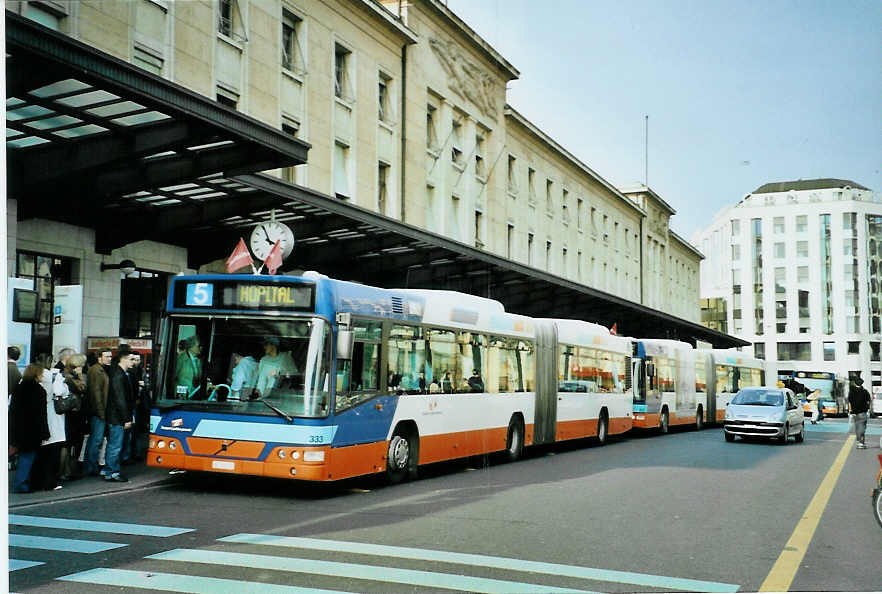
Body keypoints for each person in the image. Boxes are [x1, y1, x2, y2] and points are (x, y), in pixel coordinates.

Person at [9, 362, 50, 493]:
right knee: (28, 457)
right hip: (33, 430)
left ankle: (22, 482)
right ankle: (21, 483)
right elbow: (41, 414)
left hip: (19, 427)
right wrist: (45, 432)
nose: (43, 376)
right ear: (37, 374)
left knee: (23, 455)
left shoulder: (18, 388)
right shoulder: (39, 391)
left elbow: (13, 410)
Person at [31, 353, 66, 491]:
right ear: (50, 362)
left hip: (38, 415)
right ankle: (50, 481)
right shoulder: (53, 375)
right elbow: (59, 391)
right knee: (52, 452)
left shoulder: (33, 374)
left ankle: (37, 481)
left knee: (40, 453)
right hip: (52, 414)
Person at [104, 348, 137, 482]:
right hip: (117, 417)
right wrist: (126, 419)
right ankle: (112, 471)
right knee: (115, 445)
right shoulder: (119, 375)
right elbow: (120, 399)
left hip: (115, 416)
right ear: (122, 359)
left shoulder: (119, 373)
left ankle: (109, 469)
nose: (133, 362)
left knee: (114, 444)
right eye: (131, 359)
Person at [59, 353, 88, 481]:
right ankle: (66, 471)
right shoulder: (69, 378)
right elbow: (82, 388)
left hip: (72, 414)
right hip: (73, 414)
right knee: (70, 443)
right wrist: (81, 376)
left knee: (69, 444)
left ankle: (67, 470)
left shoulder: (65, 375)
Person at [83, 350, 111, 476]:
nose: (110, 358)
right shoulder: (96, 371)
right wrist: (101, 412)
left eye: (110, 356)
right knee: (96, 439)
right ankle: (91, 466)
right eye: (107, 356)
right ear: (99, 358)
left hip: (98, 410)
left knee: (95, 439)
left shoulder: (100, 369)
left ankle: (90, 465)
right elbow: (96, 394)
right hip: (98, 411)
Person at [848, 376, 872, 449]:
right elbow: (869, 401)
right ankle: (861, 442)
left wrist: (850, 411)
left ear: (855, 383)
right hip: (863, 412)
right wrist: (868, 409)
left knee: (857, 427)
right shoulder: (865, 392)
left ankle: (860, 441)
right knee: (862, 427)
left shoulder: (851, 392)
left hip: (855, 412)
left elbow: (849, 402)